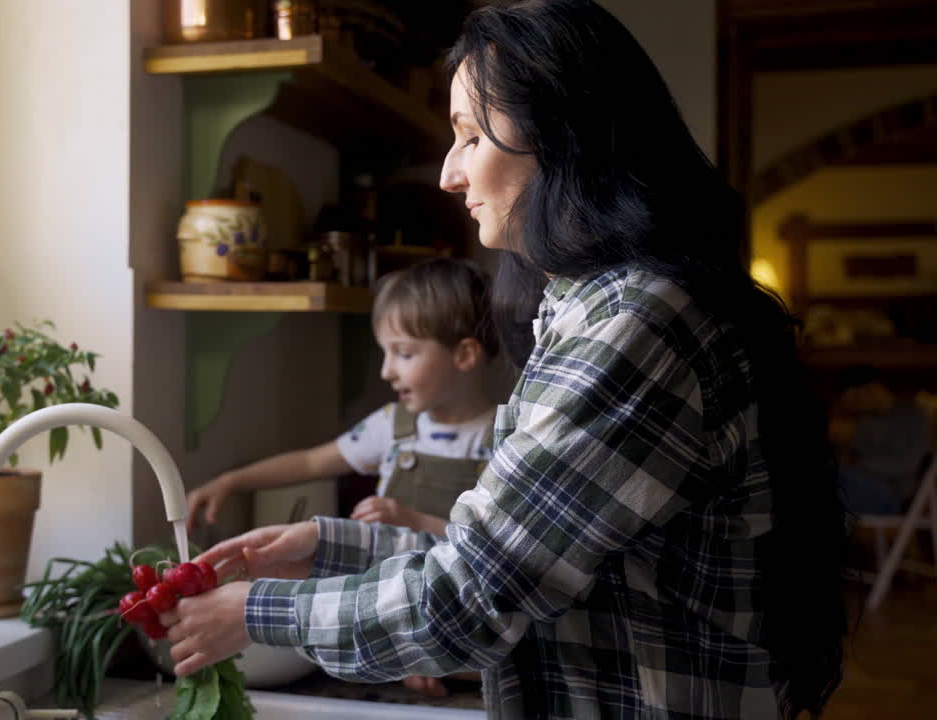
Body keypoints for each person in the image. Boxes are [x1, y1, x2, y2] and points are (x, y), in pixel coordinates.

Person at [159, 2, 849, 719]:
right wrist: (323, 545)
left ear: (561, 136)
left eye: (469, 137)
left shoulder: (635, 328)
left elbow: (465, 602)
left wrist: (258, 612)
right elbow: (503, 557)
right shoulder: (594, 306)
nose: (448, 175)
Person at [185, 257, 501, 539]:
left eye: (404, 353)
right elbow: (310, 463)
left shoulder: (506, 438)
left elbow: (501, 544)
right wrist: (229, 482)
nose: (386, 371)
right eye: (384, 352)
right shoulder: (392, 424)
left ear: (464, 355)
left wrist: (412, 520)